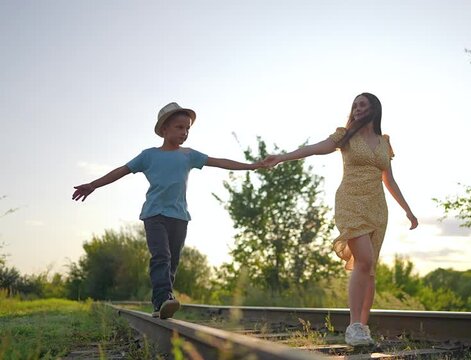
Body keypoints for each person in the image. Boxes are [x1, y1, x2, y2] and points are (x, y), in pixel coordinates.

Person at [72, 102, 266, 319]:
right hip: (154, 215)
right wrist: (93, 185)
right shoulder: (148, 156)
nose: (184, 132)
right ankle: (165, 297)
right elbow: (121, 170)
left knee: (172, 261)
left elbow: (219, 162)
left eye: (187, 129)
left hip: (180, 217)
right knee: (161, 256)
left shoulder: (189, 155)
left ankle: (160, 303)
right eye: (179, 127)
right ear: (164, 129)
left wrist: (251, 166)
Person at [262, 93, 418, 346]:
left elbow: (388, 179)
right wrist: (282, 157)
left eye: (362, 104)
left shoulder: (384, 142)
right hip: (350, 202)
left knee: (369, 270)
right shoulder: (344, 135)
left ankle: (362, 329)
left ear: (374, 109)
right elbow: (314, 149)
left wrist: (408, 210)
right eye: (354, 105)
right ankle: (354, 325)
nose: (356, 109)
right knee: (364, 260)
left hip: (377, 208)